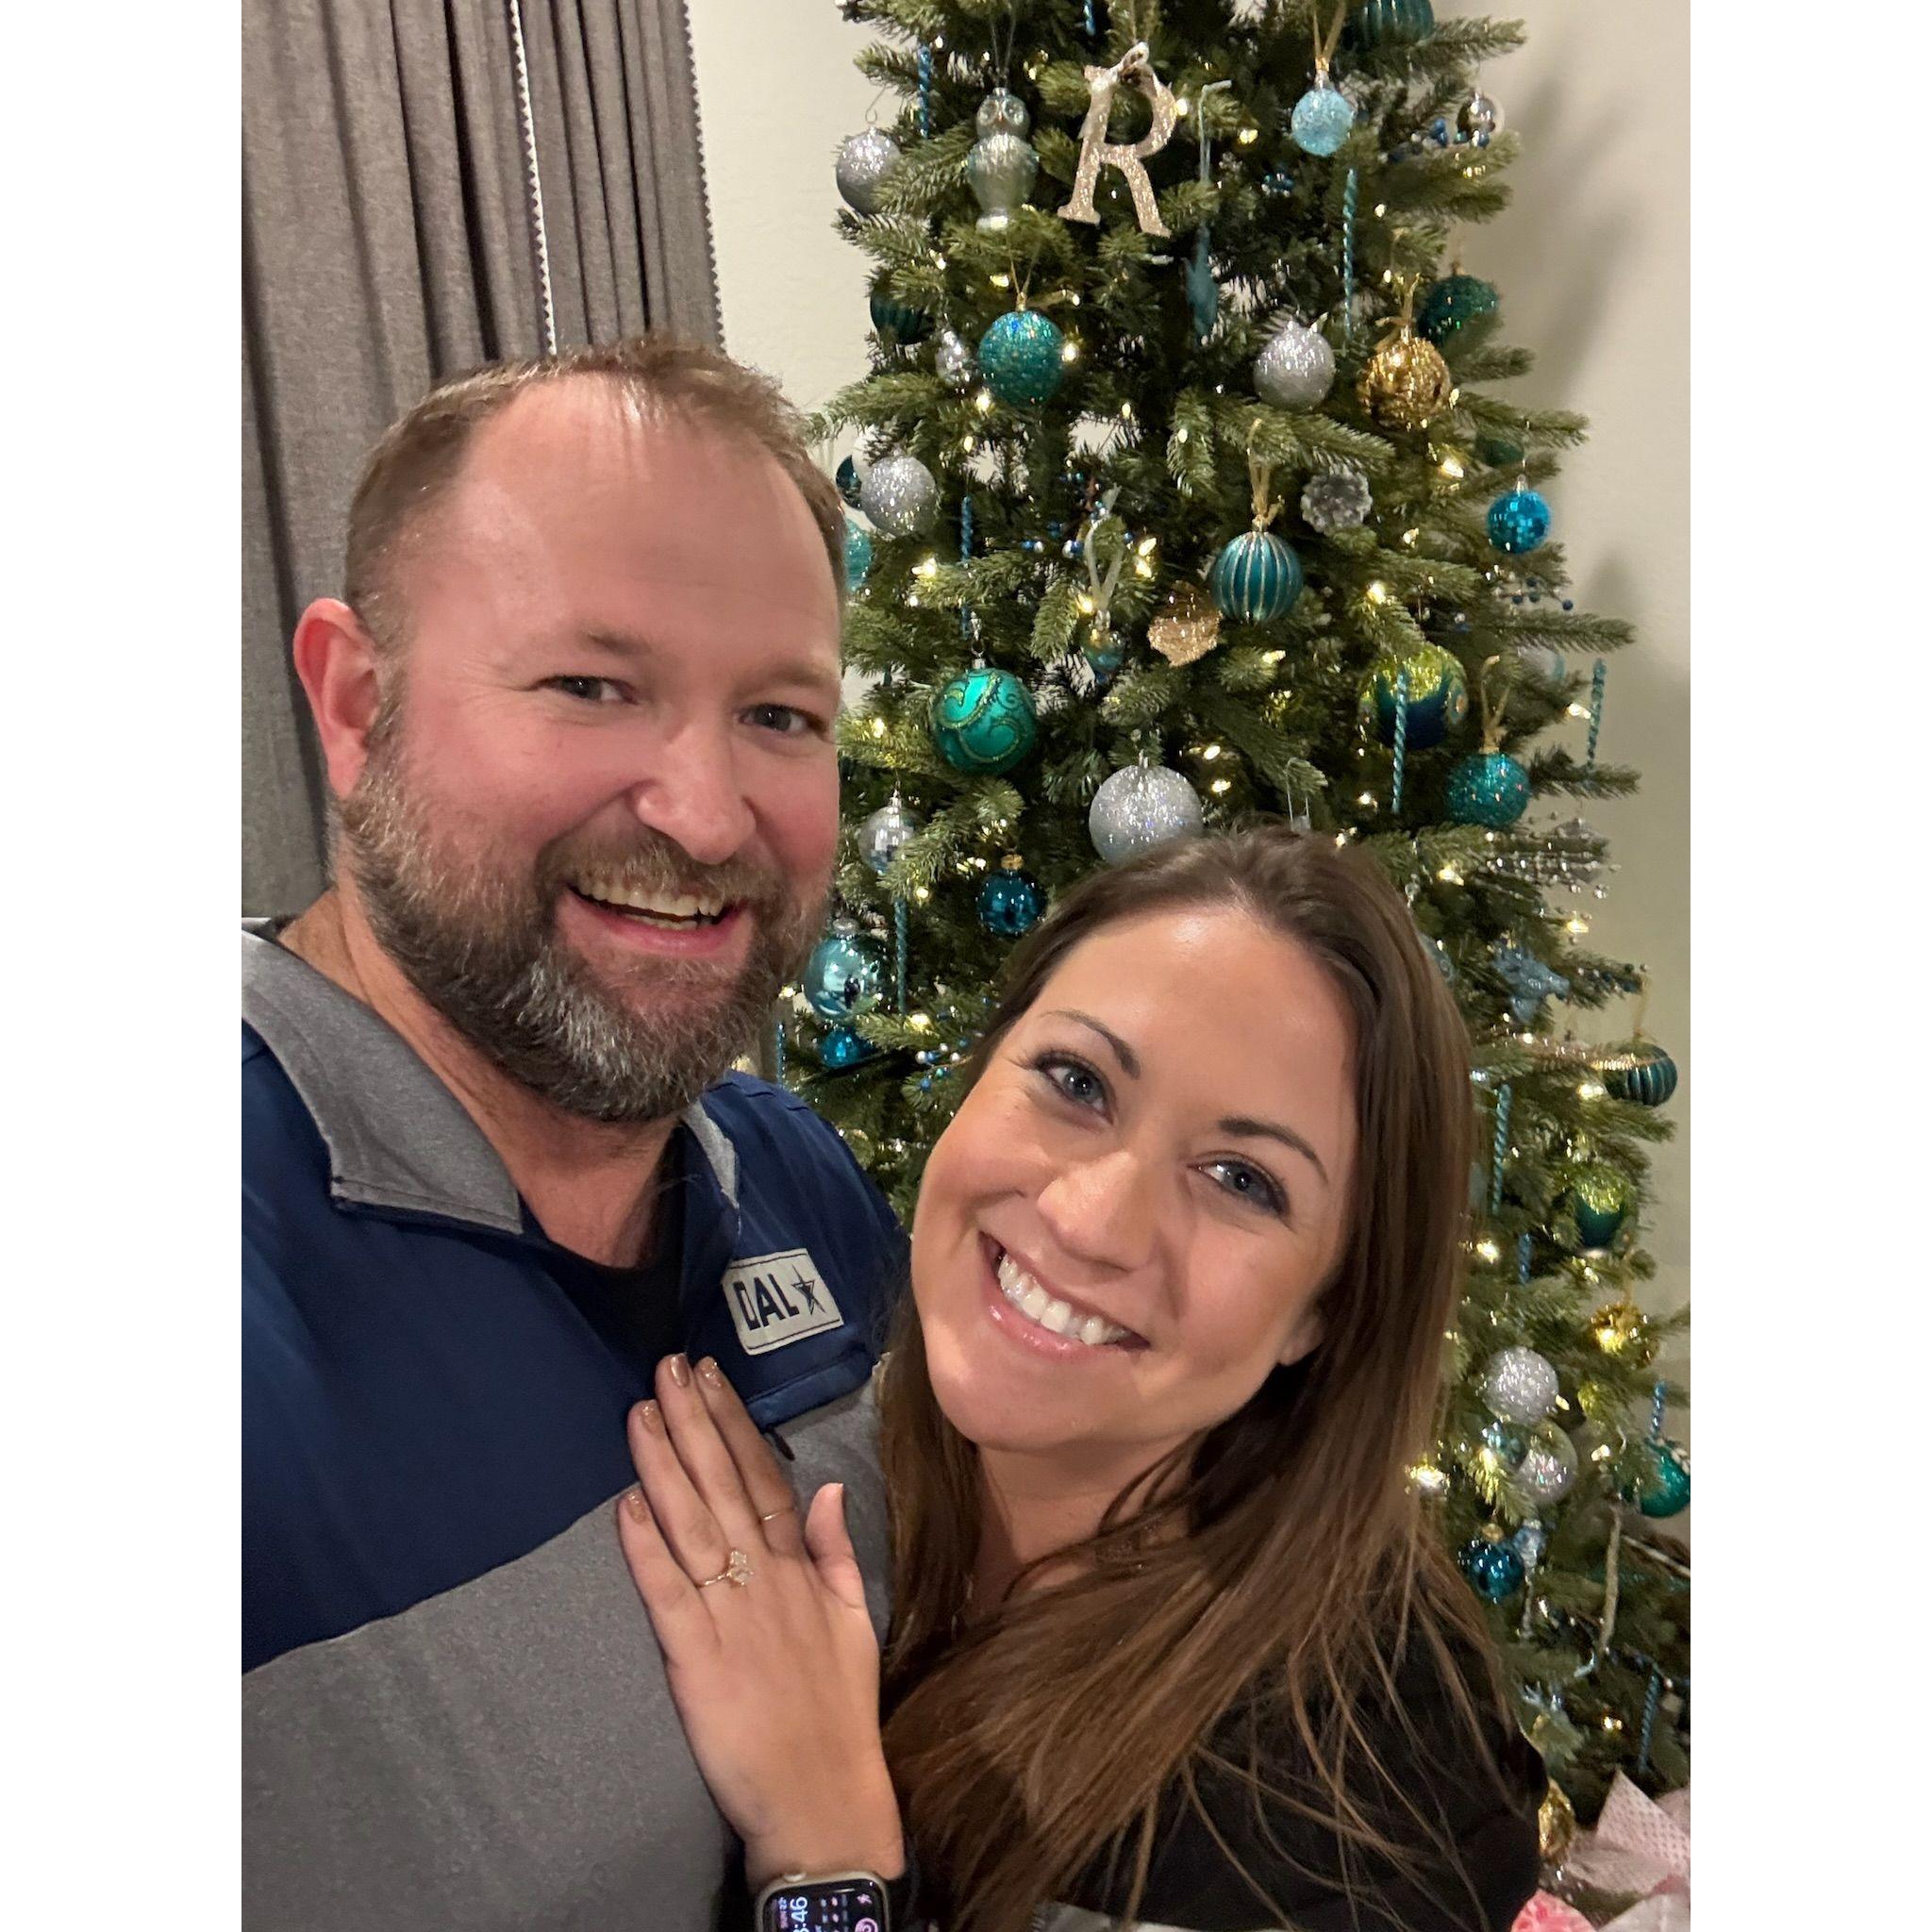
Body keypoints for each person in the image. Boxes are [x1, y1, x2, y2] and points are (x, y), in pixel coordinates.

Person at [242, 338, 908, 1930]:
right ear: (353, 703)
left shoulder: (805, 1190)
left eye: (779, 713)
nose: (701, 809)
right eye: (591, 686)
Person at [614, 825, 1549, 1932]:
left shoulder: (1357, 1812)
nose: (1090, 1219)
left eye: (1242, 1179)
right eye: (1075, 1080)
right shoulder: (814, 1448)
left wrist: (828, 1864)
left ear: (1327, 1306)